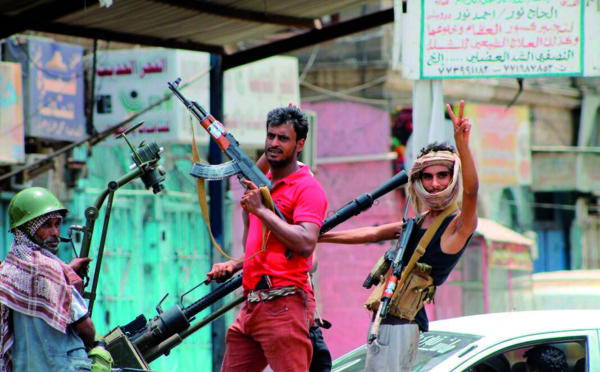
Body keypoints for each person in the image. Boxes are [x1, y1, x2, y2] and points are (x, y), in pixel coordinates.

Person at [319, 100, 479, 372]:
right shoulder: (417, 221)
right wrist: (319, 237)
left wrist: (461, 145)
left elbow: (472, 192)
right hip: (384, 323)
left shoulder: (456, 225)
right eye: (427, 177)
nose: (435, 183)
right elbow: (371, 233)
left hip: (403, 325)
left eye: (443, 175)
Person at [206, 106, 328, 371]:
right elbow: (262, 246)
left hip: (283, 304)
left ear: (300, 144)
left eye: (283, 138)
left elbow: (307, 243)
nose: (274, 143)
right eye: (270, 136)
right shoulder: (262, 187)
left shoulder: (307, 188)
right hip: (251, 305)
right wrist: (235, 264)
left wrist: (260, 210)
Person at [0, 187, 95, 371]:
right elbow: (86, 328)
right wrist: (94, 347)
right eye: (46, 225)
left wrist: (66, 271)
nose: (55, 233)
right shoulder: (53, 271)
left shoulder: (7, 272)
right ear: (25, 230)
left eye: (57, 224)